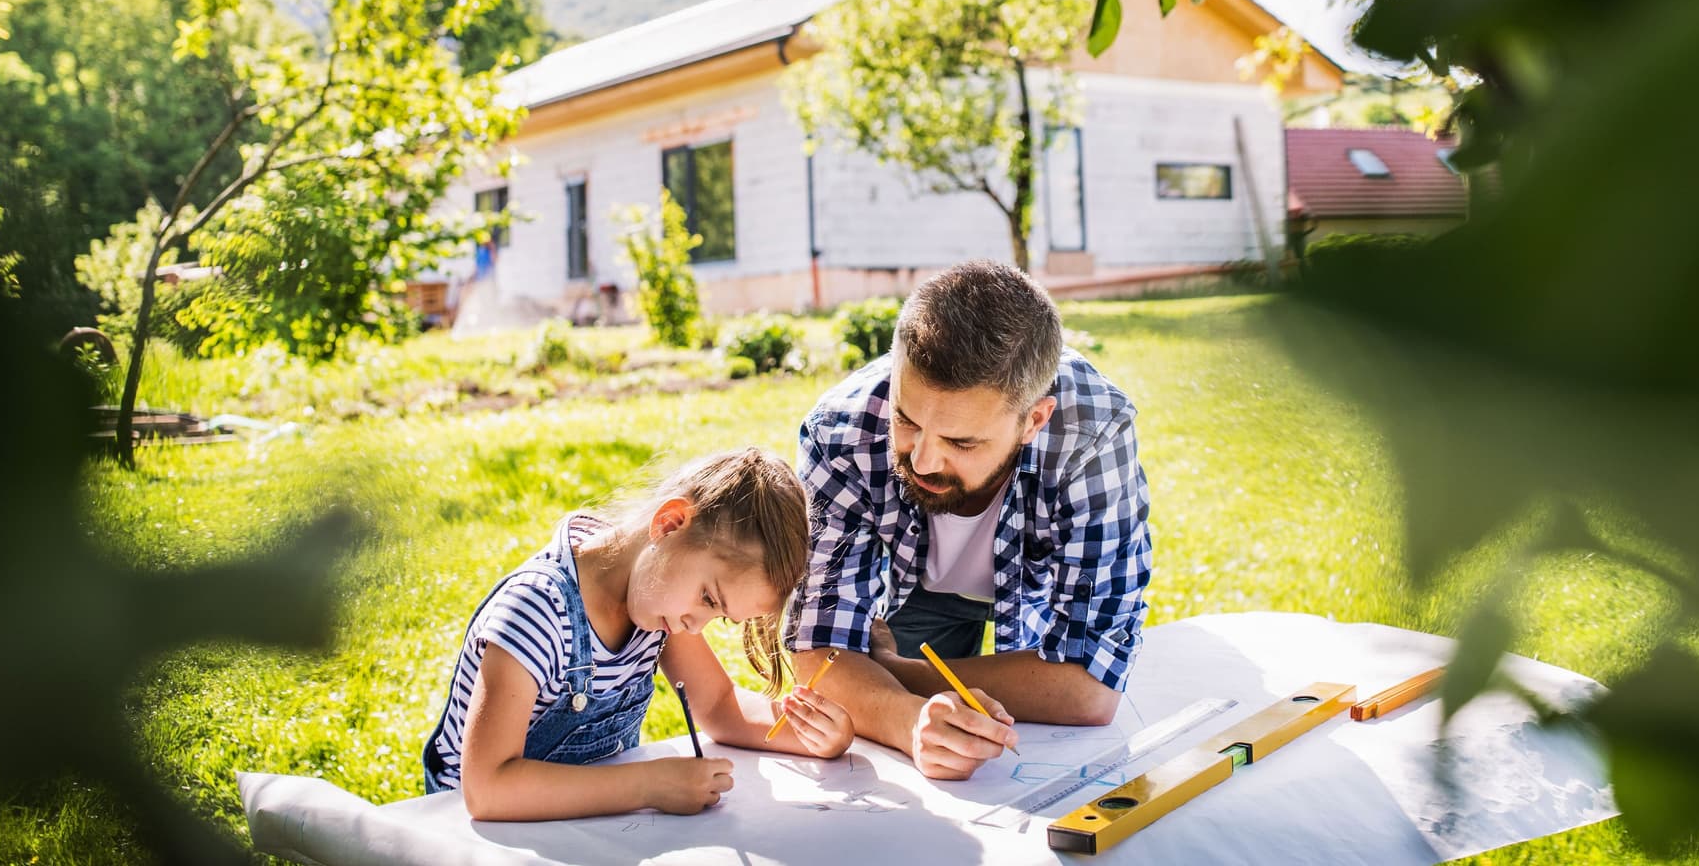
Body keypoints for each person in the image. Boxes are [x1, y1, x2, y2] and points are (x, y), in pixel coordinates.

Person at [786, 260, 1152, 780]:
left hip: (1036, 599)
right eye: (906, 421)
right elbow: (819, 659)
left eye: (962, 442)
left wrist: (894, 674)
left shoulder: (1092, 434)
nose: (923, 461)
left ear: (1034, 420)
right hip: (914, 589)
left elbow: (1089, 688)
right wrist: (909, 719)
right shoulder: (841, 429)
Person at [422, 448, 854, 820]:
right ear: (669, 524)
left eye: (718, 616)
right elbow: (486, 789)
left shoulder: (657, 602)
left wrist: (808, 734)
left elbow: (719, 705)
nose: (694, 625)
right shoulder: (537, 610)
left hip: (580, 830)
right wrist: (647, 787)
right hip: (474, 840)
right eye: (708, 597)